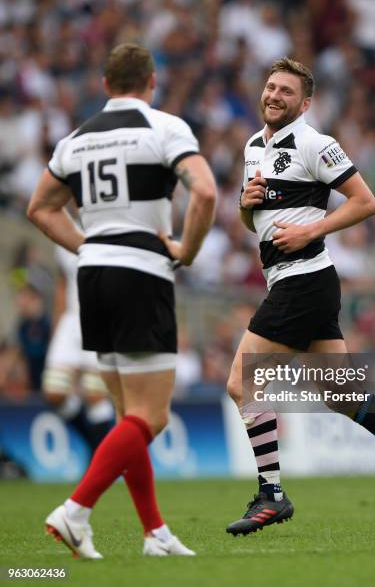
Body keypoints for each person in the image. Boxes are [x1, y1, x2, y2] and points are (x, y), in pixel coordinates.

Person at [225, 57, 375, 536]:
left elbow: (365, 202)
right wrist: (245, 209)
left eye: (286, 91)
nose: (273, 96)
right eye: (270, 87)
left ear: (304, 103)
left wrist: (314, 227)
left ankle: (272, 495)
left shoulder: (315, 144)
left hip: (302, 280)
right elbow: (256, 223)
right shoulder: (253, 146)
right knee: (341, 396)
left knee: (242, 383)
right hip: (296, 280)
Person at [27, 43, 216, 559]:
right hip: (142, 271)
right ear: (152, 82)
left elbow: (39, 207)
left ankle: (154, 532)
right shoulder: (164, 128)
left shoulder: (75, 139)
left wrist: (87, 245)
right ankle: (75, 510)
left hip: (92, 276)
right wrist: (187, 250)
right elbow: (204, 192)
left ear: (105, 85)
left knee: (125, 415)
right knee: (150, 418)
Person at [42, 243, 114, 454]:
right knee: (54, 391)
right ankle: (94, 447)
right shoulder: (62, 232)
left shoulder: (105, 226)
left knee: (95, 394)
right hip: (71, 321)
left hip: (101, 319)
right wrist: (56, 326)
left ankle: (97, 462)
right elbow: (62, 284)